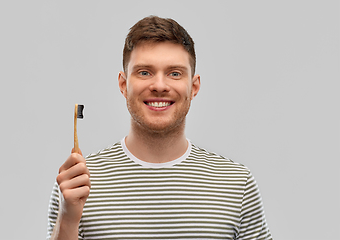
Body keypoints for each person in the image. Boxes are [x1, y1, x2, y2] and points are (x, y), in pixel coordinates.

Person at [47, 16, 272, 240]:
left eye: (174, 73)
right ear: (123, 85)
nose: (159, 86)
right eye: (145, 72)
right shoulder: (77, 184)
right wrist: (68, 218)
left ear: (194, 87)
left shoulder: (236, 183)